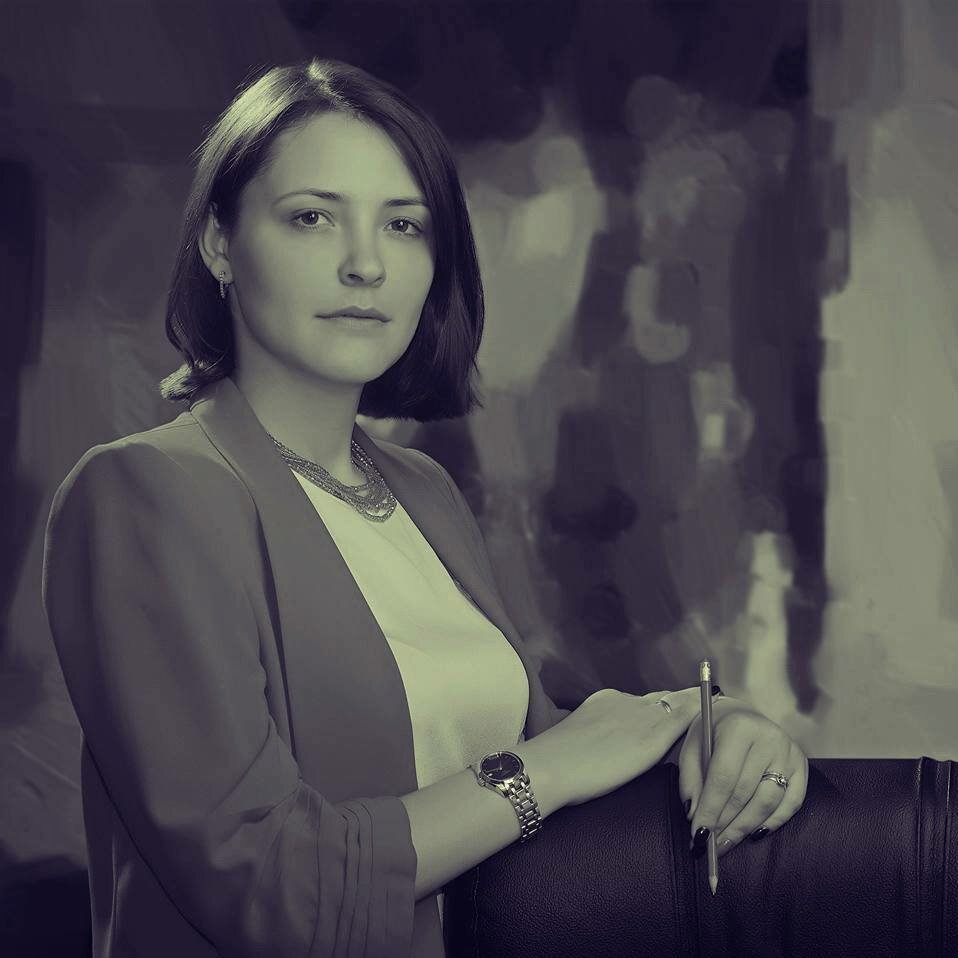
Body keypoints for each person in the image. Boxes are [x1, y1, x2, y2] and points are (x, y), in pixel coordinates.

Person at [41, 57, 809, 958]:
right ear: (219, 242)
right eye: (312, 217)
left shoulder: (421, 490)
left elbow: (532, 738)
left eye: (403, 225)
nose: (365, 265)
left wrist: (706, 734)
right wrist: (547, 769)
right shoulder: (141, 493)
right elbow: (264, 883)